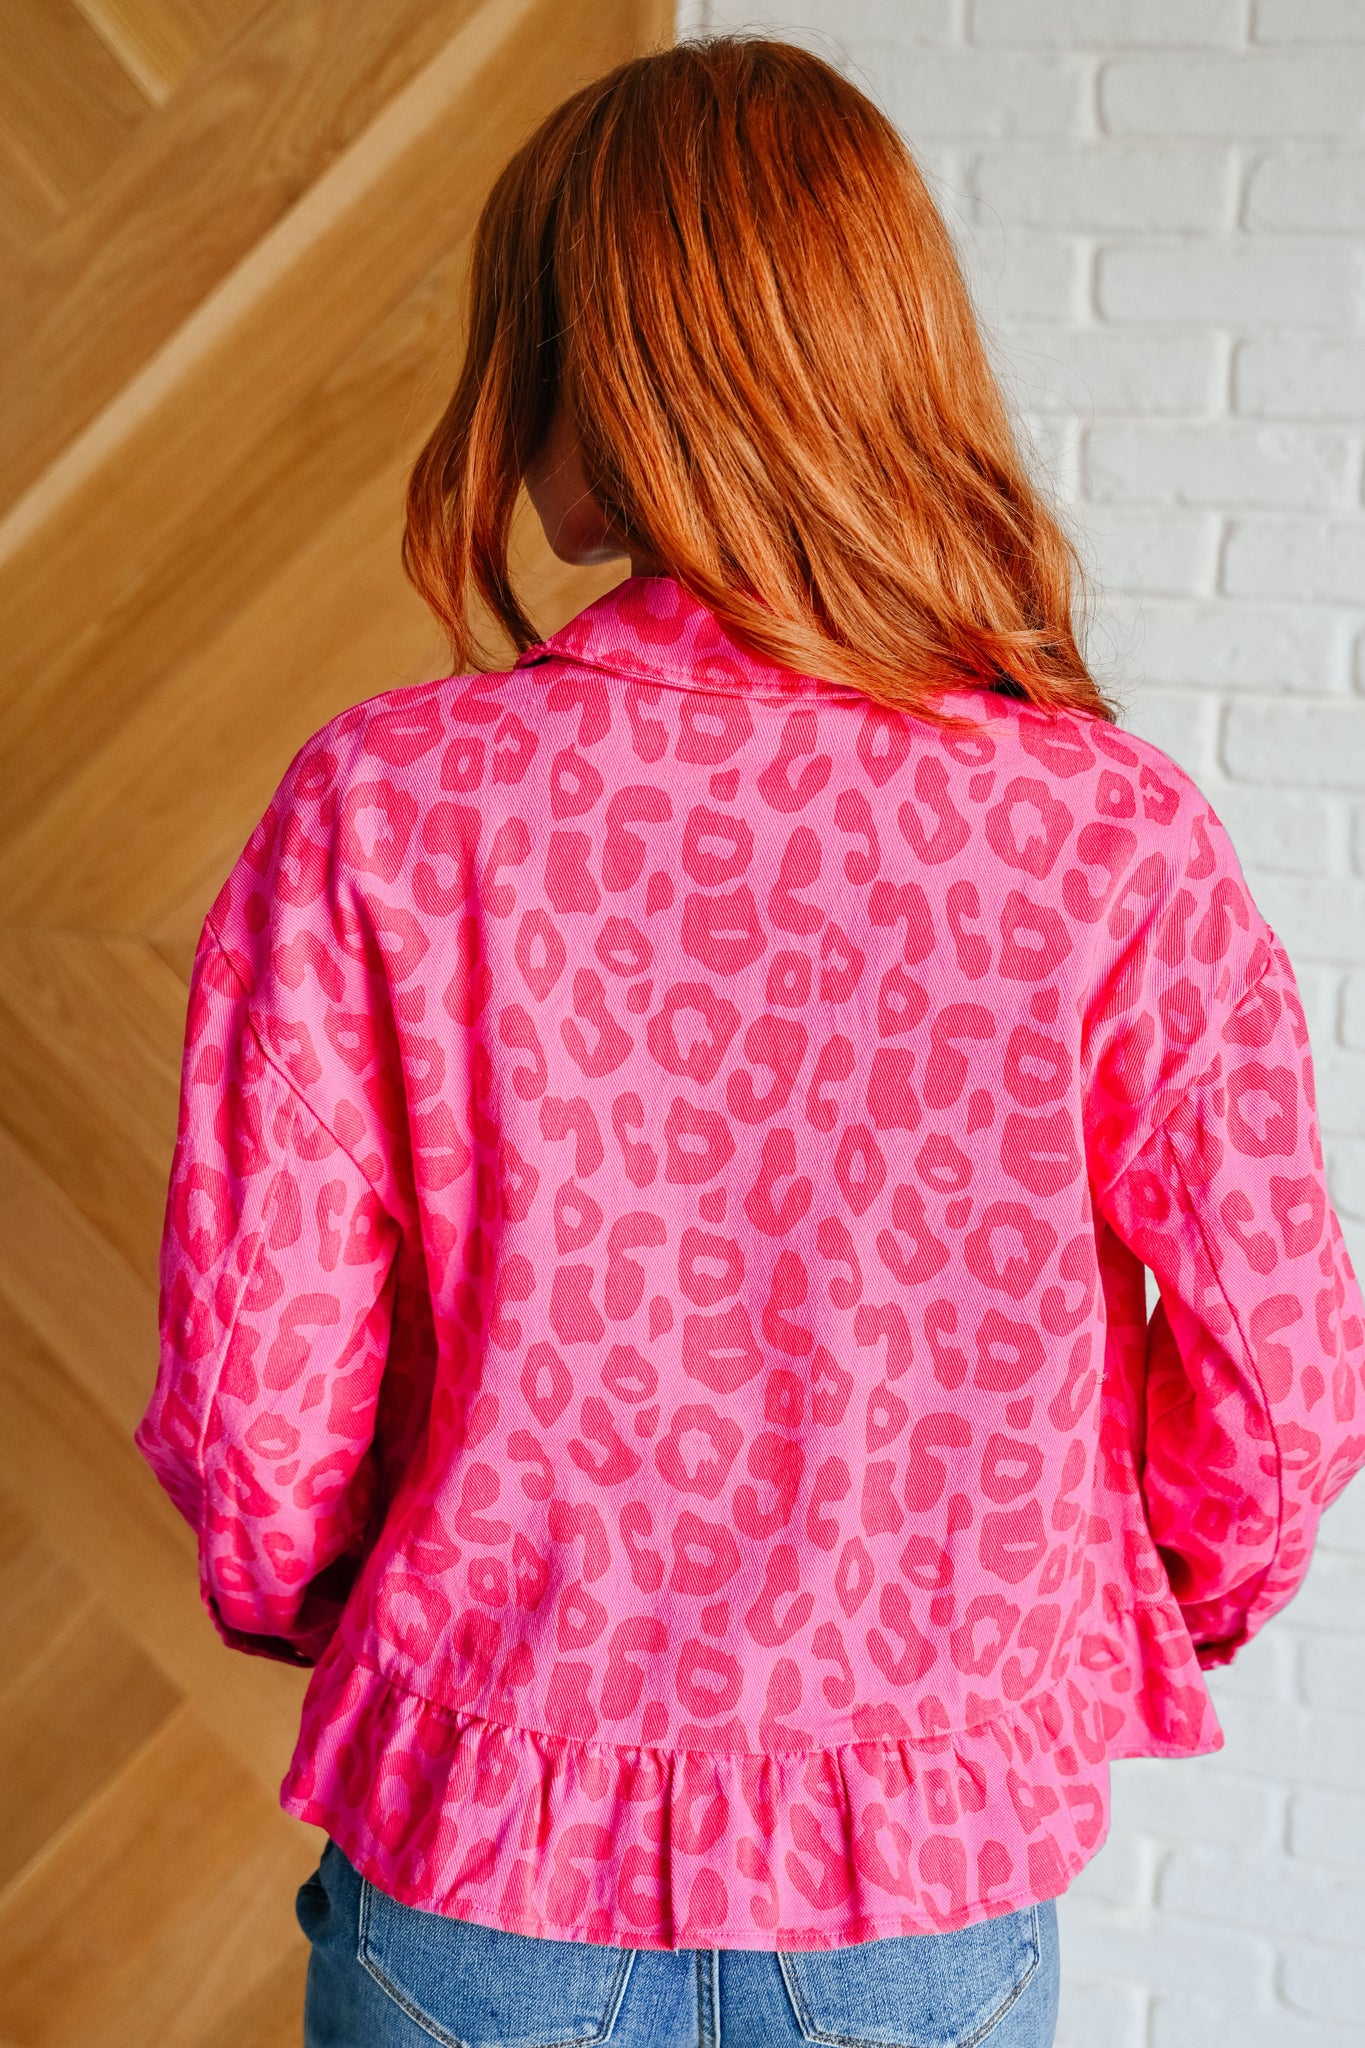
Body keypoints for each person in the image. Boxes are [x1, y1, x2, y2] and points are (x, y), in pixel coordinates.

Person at [132, 34, 1365, 2048]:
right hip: (920, 1877)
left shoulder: (387, 808)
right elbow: (1276, 1378)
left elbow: (256, 1403)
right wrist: (1132, 1607)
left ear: (597, 373)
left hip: (486, 1854)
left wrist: (340, 1620)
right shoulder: (1100, 831)